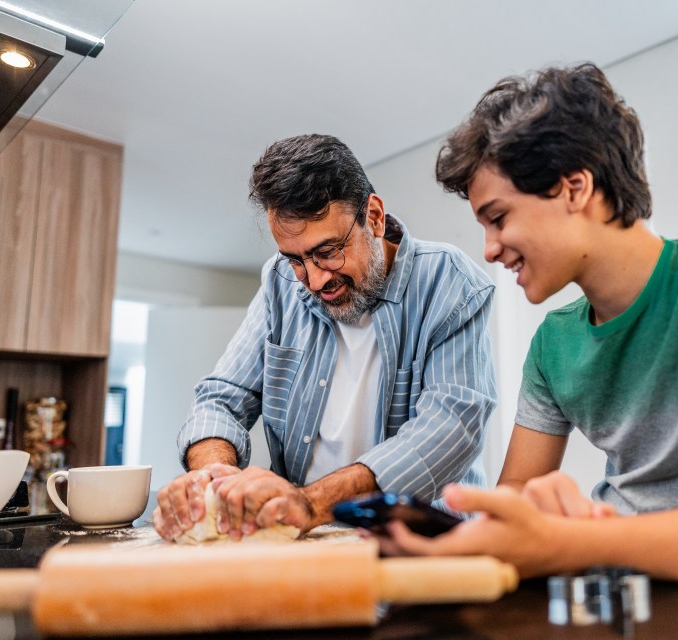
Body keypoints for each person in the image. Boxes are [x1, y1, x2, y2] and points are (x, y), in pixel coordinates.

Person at [377, 63, 678, 581]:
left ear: (575, 188)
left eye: (498, 218)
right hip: (625, 597)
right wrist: (498, 525)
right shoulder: (553, 345)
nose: (490, 250)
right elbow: (512, 499)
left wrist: (579, 541)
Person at [153, 134, 496, 541]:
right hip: (306, 542)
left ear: (374, 216)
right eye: (296, 259)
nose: (314, 279)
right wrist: (213, 472)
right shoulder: (281, 284)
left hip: (424, 549)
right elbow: (221, 399)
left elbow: (449, 430)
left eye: (329, 251)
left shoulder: (449, 282)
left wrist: (312, 503)